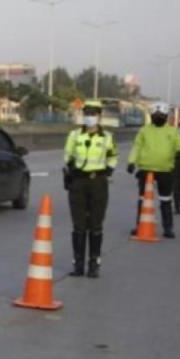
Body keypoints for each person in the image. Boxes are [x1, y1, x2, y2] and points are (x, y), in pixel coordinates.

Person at [63, 100, 118, 278]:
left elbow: (113, 156)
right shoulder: (74, 135)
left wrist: (108, 170)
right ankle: (78, 264)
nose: (90, 117)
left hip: (98, 182)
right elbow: (68, 154)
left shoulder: (107, 137)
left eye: (93, 114)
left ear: (99, 116)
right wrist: (71, 168)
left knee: (95, 225)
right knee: (78, 226)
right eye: (87, 113)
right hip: (78, 182)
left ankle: (94, 264)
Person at [127, 102, 180, 238]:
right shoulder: (144, 131)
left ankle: (168, 228)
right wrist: (131, 161)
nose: (158, 117)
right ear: (151, 116)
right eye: (156, 115)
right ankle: (140, 225)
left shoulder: (173, 131)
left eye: (161, 115)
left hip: (165, 170)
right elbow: (137, 147)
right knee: (143, 200)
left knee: (166, 200)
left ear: (166, 116)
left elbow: (179, 145)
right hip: (145, 169)